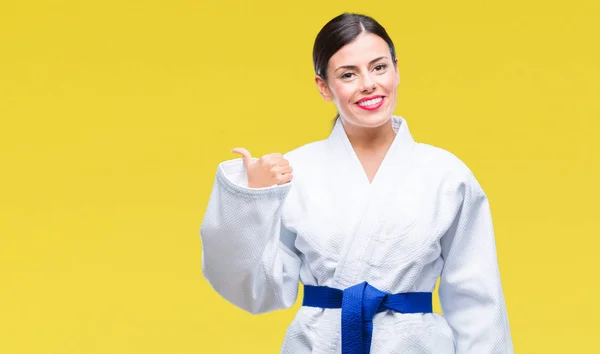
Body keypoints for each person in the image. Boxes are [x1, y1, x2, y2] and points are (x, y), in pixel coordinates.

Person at [200, 12, 514, 354]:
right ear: (324, 87)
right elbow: (255, 290)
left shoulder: (447, 175)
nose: (368, 84)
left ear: (396, 69)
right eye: (348, 74)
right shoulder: (296, 172)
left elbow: (478, 302)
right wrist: (251, 200)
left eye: (379, 67)